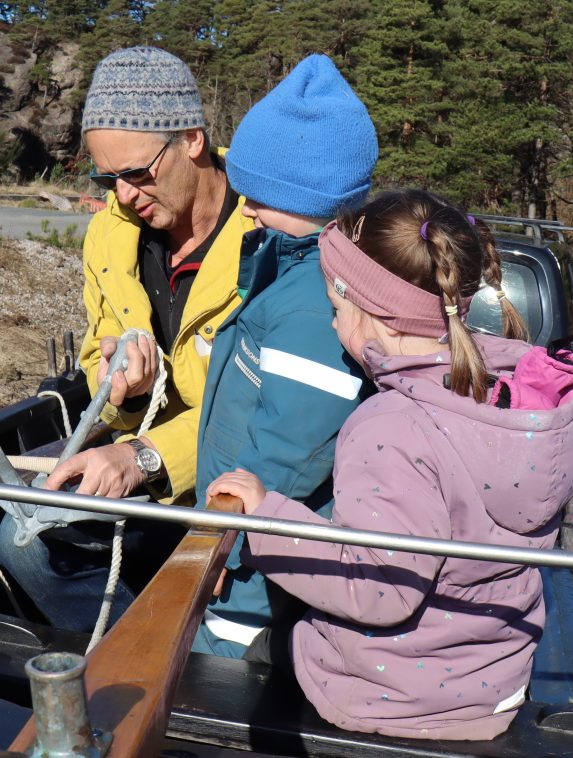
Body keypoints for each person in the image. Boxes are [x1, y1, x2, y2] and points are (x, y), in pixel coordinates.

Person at [208, 189, 573, 740]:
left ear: (375, 312)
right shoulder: (523, 401)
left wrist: (264, 518)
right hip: (490, 687)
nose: (336, 329)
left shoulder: (390, 424)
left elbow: (378, 587)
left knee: (247, 650)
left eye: (337, 311)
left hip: (384, 697)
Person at [0, 46, 253, 633]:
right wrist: (123, 388)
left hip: (240, 476)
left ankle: (184, 669)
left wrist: (144, 456)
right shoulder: (111, 236)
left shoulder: (269, 228)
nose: (124, 196)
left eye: (138, 174)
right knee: (24, 536)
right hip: (141, 458)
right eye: (106, 178)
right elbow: (95, 354)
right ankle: (131, 653)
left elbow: (267, 410)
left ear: (192, 138)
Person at [191, 54, 378, 659]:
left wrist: (220, 544)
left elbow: (291, 448)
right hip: (240, 532)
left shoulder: (312, 306)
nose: (243, 208)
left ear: (309, 200)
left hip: (253, 572)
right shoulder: (290, 259)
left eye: (260, 196)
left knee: (211, 690)